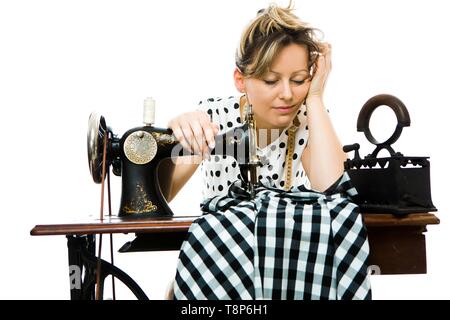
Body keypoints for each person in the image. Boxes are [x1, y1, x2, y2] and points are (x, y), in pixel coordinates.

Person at [165, 2, 371, 300]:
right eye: (271, 81)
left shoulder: (308, 118)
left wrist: (315, 97)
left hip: (293, 269)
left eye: (299, 79)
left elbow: (335, 190)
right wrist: (178, 135)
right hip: (224, 266)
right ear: (241, 80)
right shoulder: (213, 119)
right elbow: (163, 194)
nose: (287, 93)